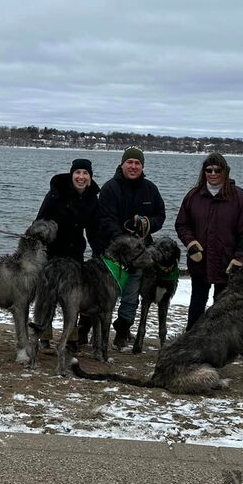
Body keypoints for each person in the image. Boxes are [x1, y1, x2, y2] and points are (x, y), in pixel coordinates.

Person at [174, 152, 243, 331]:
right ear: (204, 172)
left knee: (223, 308)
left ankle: (220, 345)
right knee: (197, 303)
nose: (212, 173)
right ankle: (190, 341)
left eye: (217, 170)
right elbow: (182, 224)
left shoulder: (239, 198)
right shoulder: (193, 196)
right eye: (208, 170)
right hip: (199, 262)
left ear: (225, 172)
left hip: (227, 264)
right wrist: (191, 243)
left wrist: (239, 258)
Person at [97, 146, 166, 350]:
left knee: (131, 296)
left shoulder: (150, 189)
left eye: (137, 163)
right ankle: (89, 333)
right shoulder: (110, 188)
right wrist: (123, 242)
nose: (133, 166)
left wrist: (147, 223)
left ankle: (122, 332)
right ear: (122, 164)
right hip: (112, 254)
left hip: (138, 255)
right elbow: (105, 218)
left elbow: (160, 216)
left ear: (142, 166)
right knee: (101, 295)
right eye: (130, 162)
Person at [35, 157, 103, 350]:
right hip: (52, 251)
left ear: (90, 177)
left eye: (85, 173)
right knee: (47, 296)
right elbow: (39, 221)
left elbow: (94, 230)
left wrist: (100, 253)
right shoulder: (56, 194)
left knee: (72, 297)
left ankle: (71, 336)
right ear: (72, 174)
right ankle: (44, 335)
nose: (81, 177)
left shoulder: (92, 199)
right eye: (77, 173)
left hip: (75, 254)